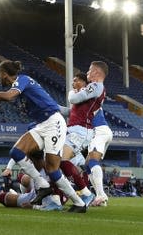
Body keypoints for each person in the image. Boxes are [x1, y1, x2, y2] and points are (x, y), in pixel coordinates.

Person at [0, 60, 87, 213]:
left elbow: (9, 96)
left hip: (54, 124)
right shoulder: (21, 87)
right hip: (42, 125)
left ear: (4, 74)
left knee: (53, 170)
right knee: (16, 152)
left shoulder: (22, 80)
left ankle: (78, 203)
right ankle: (43, 186)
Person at [70, 61, 112, 207]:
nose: (87, 73)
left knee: (92, 161)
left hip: (99, 130)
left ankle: (101, 195)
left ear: (96, 72)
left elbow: (74, 99)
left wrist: (73, 92)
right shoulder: (97, 91)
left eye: (89, 70)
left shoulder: (95, 86)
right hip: (101, 130)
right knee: (88, 165)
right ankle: (99, 196)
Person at [58, 72, 100, 206]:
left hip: (81, 131)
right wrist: (52, 106)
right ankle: (64, 194)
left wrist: (71, 92)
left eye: (76, 80)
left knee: (61, 160)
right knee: (58, 161)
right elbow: (71, 112)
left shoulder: (83, 92)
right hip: (75, 130)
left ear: (84, 82)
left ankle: (85, 193)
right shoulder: (83, 96)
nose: (73, 83)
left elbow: (72, 98)